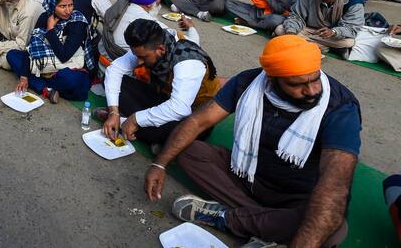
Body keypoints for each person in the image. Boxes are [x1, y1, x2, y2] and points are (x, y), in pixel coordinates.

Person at [145, 35, 360, 247]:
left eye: (315, 79)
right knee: (185, 148)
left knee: (333, 227)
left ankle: (228, 219)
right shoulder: (249, 83)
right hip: (245, 175)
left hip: (296, 196)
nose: (313, 90)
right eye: (298, 84)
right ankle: (265, 224)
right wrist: (159, 164)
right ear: (272, 78)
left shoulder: (340, 107)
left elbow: (334, 185)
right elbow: (198, 122)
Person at [103, 18, 218, 145]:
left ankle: (127, 123)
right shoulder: (150, 44)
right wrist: (114, 111)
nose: (139, 62)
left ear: (161, 50)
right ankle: (121, 120)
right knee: (113, 80)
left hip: (194, 115)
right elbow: (115, 70)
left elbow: (179, 108)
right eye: (137, 56)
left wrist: (136, 119)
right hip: (164, 98)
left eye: (143, 57)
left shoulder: (188, 63)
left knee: (178, 131)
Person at [7, 0, 94, 103]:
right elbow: (32, 48)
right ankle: (47, 88)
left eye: (70, 5)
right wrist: (24, 77)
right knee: (12, 55)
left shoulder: (77, 22)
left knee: (72, 80)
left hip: (65, 67)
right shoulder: (45, 17)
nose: (68, 11)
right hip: (44, 65)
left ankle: (42, 85)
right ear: (53, 5)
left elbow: (64, 56)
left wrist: (50, 30)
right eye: (62, 6)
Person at [100, 0, 199, 61]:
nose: (159, 1)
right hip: (127, 75)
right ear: (148, 4)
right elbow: (192, 47)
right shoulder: (148, 25)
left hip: (104, 62)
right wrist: (191, 28)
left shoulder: (118, 7)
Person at [277, 0, 364, 56]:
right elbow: (296, 16)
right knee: (280, 29)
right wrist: (291, 32)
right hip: (310, 29)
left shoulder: (353, 1)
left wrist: (334, 31)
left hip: (333, 35)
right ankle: (325, 47)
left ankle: (305, 44)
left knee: (348, 42)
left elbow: (351, 27)